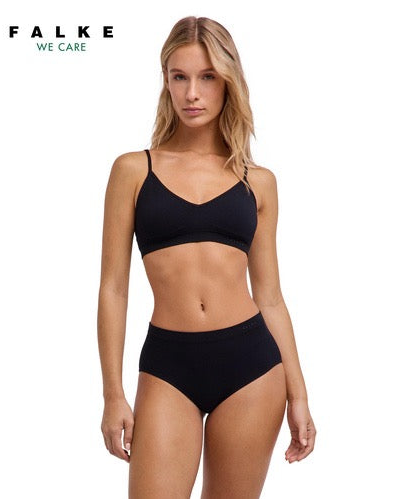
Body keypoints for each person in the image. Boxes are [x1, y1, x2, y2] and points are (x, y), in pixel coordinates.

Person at [97, 15, 316, 498]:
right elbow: (113, 288)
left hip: (252, 367)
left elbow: (271, 297)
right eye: (180, 77)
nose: (192, 93)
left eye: (207, 77)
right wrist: (113, 393)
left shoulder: (258, 182)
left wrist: (298, 394)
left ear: (228, 82)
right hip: (167, 365)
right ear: (165, 81)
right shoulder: (133, 170)